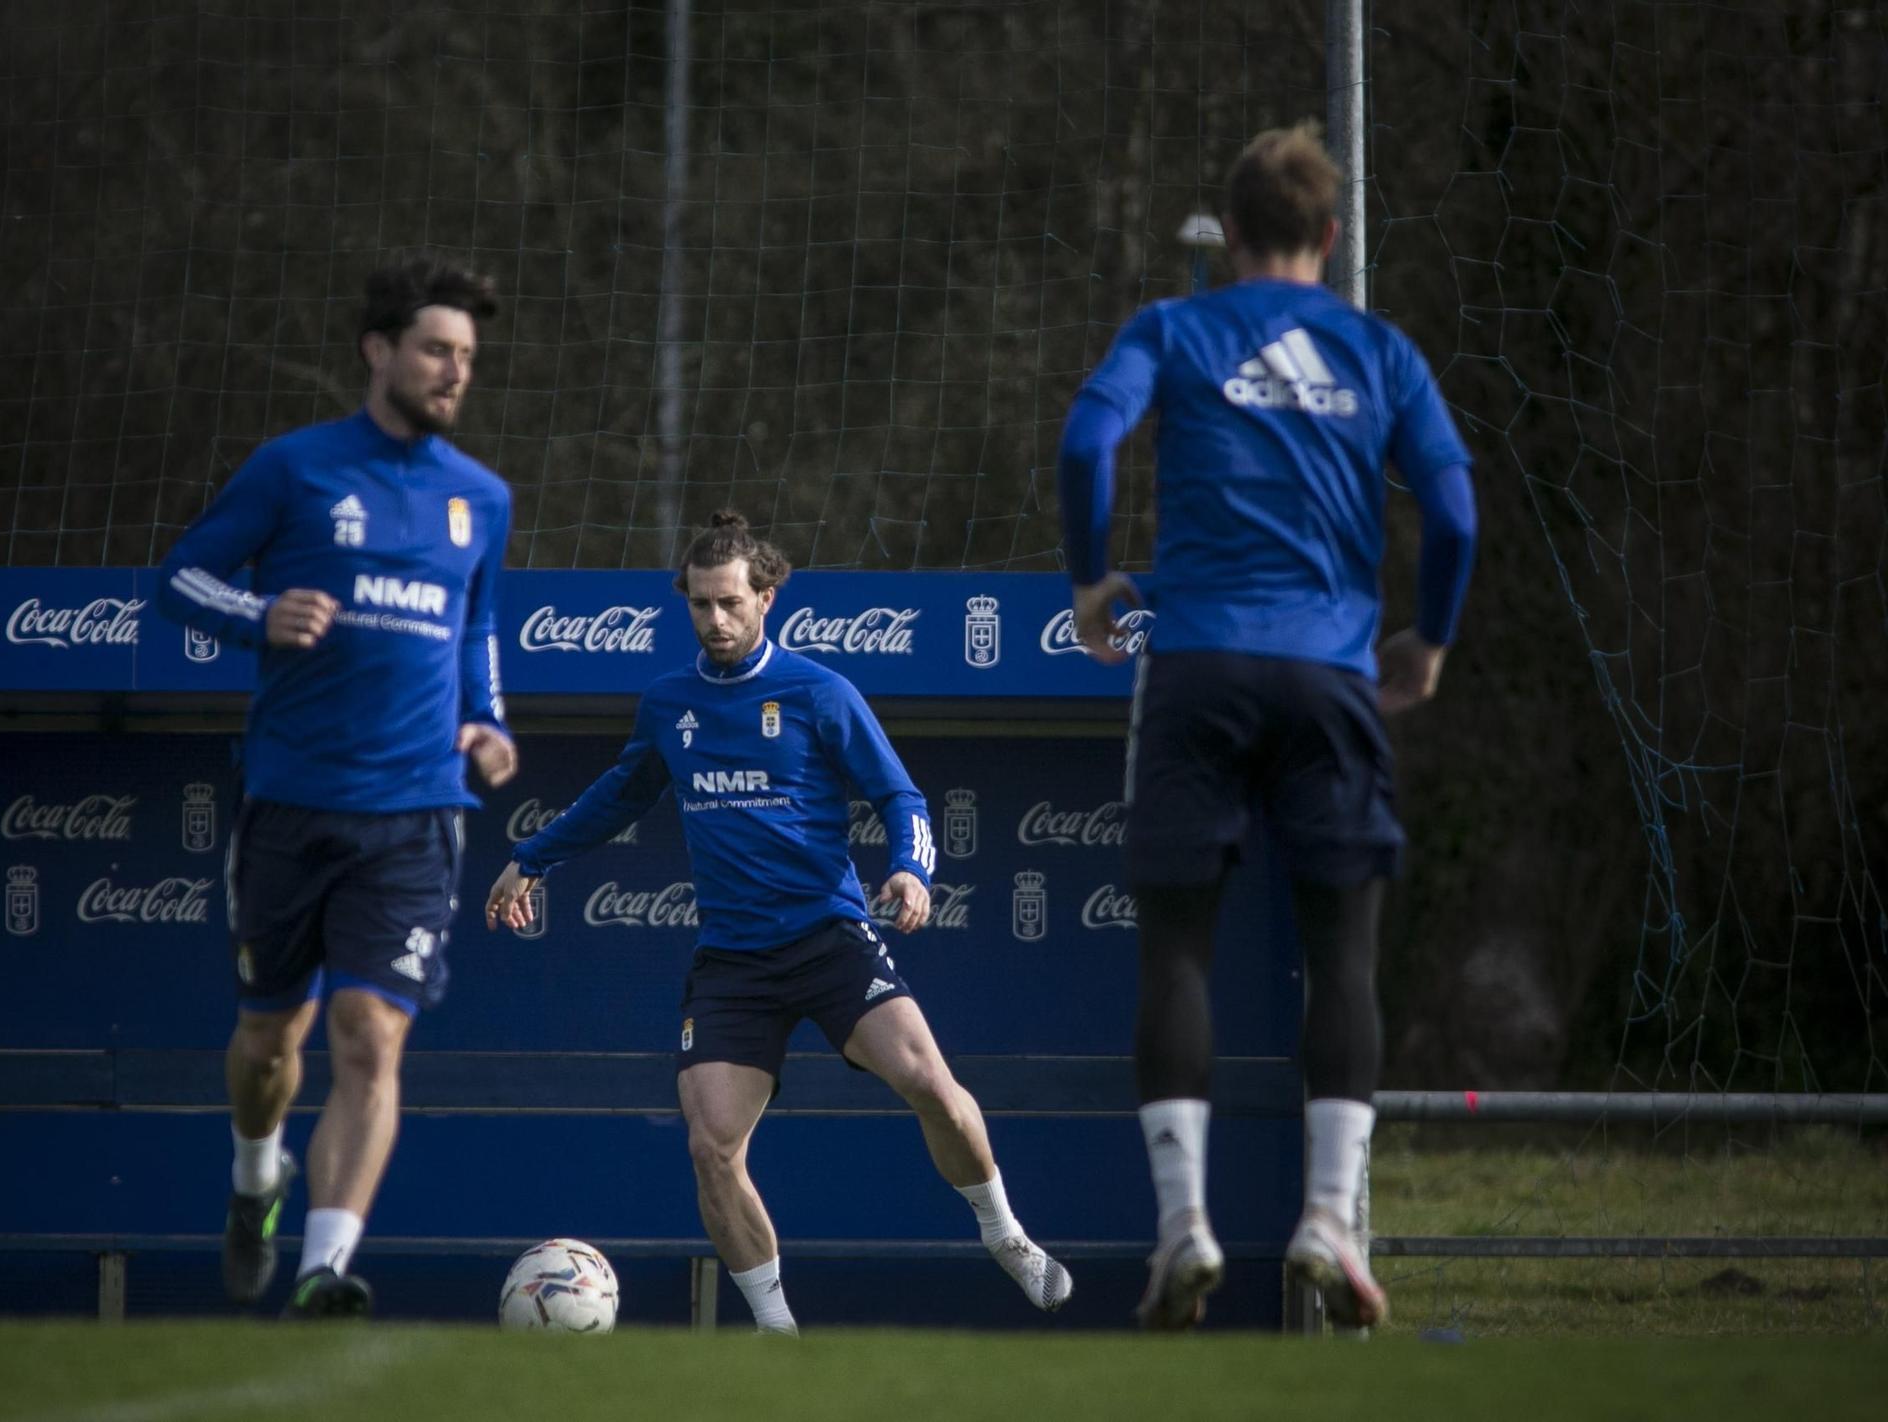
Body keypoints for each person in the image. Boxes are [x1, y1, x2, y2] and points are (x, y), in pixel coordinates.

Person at [1057, 122, 1477, 1329]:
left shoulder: (1174, 329)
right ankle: (1328, 1219)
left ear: (1229, 234)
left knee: (1176, 948)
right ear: (1329, 238)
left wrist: (1090, 581)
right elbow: (1450, 511)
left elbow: (1087, 439)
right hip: (1331, 675)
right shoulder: (1379, 350)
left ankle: (1181, 1226)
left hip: (1193, 669)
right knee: (1340, 950)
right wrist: (1430, 640)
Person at [484, 511, 1072, 1333]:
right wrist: (531, 856)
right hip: (732, 964)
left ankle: (1003, 1233)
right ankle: (774, 1330)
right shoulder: (668, 703)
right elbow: (617, 795)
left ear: (766, 597)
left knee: (932, 1088)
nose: (715, 620)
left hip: (830, 940)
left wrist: (911, 866)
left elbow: (900, 795)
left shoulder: (820, 692)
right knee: (710, 1147)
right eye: (699, 605)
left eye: (730, 602)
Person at [157, 253, 518, 1319]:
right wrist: (252, 617)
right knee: (273, 1042)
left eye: (466, 356)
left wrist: (489, 721)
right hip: (290, 800)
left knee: (370, 1032)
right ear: (379, 351)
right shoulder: (295, 469)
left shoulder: (479, 497)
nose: (453, 372)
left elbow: (479, 624)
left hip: (416, 814)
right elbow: (179, 577)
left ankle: (322, 1267)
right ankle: (253, 1174)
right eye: (434, 350)